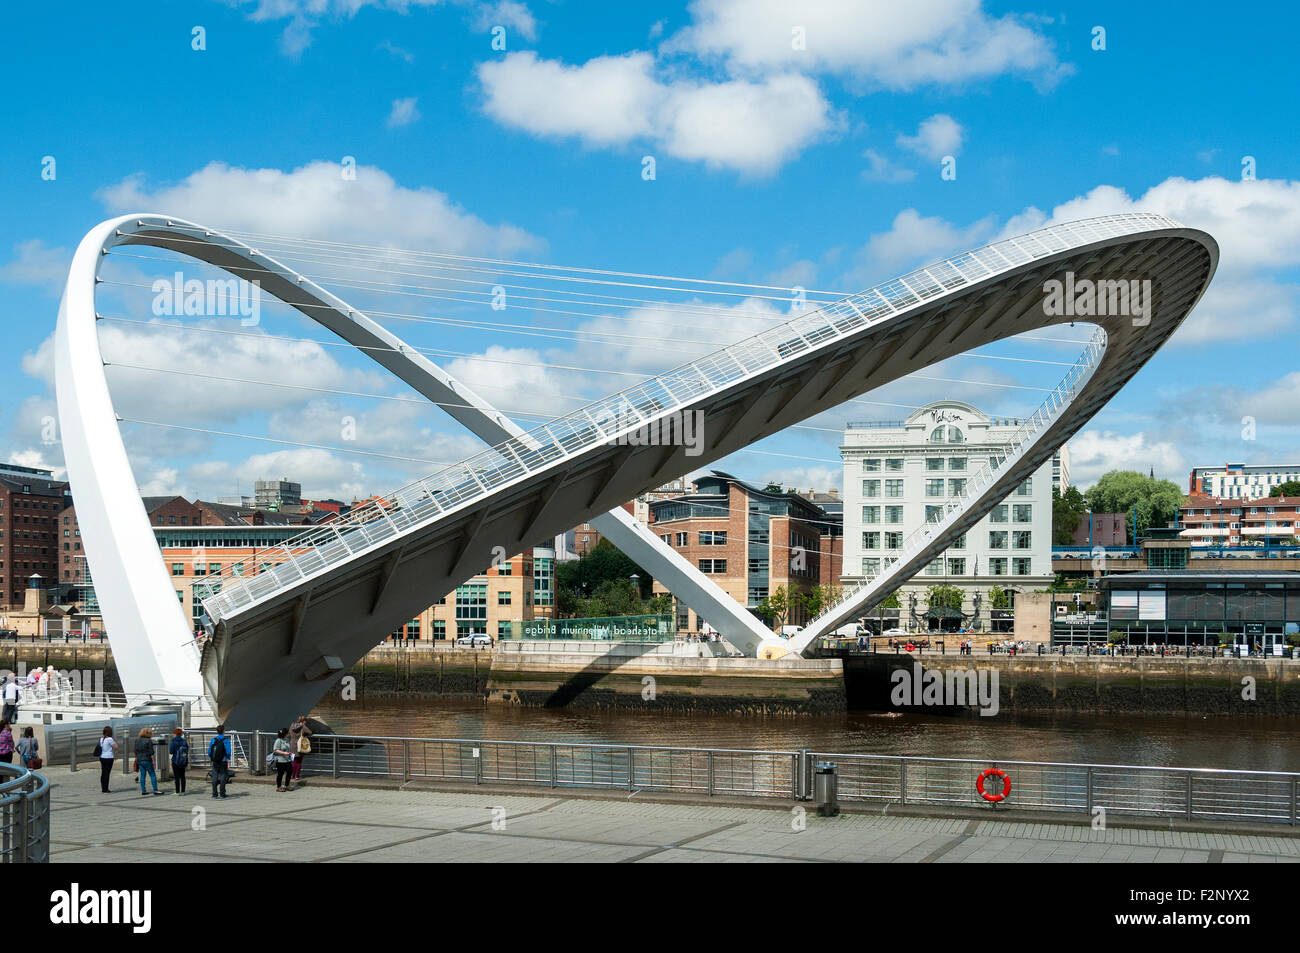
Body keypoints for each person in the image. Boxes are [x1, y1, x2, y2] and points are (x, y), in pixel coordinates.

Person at [135, 727, 163, 796]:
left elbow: (135, 751)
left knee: (142, 776)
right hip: (147, 760)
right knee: (152, 775)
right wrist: (153, 761)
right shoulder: (149, 740)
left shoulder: (137, 740)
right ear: (149, 733)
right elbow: (151, 752)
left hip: (139, 760)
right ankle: (155, 790)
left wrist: (137, 759)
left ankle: (143, 790)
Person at [209, 725, 232, 799]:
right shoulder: (226, 740)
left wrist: (213, 758)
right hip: (223, 761)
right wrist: (228, 759)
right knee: (223, 776)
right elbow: (228, 752)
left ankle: (214, 794)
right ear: (223, 731)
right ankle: (222, 794)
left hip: (215, 761)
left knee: (214, 777)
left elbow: (209, 752)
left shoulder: (213, 740)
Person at [288, 715, 312, 787]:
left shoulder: (292, 725)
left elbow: (290, 733)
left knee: (293, 761)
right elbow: (310, 732)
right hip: (300, 745)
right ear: (303, 721)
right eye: (305, 721)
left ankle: (292, 775)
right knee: (299, 761)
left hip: (292, 745)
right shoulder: (303, 726)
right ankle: (297, 776)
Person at [96, 726, 117, 793]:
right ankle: (106, 789)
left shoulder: (101, 739)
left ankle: (103, 788)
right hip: (109, 757)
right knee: (107, 773)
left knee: (103, 772)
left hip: (102, 757)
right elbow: (116, 747)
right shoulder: (110, 739)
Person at [169, 727, 189, 795]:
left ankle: (177, 792)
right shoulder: (184, 741)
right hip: (183, 761)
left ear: (175, 733)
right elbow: (187, 750)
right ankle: (183, 791)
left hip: (175, 761)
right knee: (183, 776)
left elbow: (171, 752)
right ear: (181, 734)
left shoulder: (173, 741)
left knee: (176, 777)